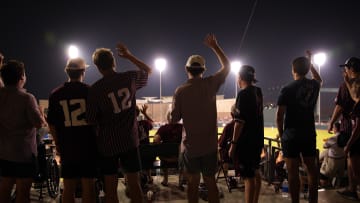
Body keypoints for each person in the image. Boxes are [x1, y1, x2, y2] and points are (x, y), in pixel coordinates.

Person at [87, 43, 152, 203]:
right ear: (114, 62)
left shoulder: (95, 89)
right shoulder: (128, 78)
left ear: (97, 67)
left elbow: (91, 120)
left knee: (110, 189)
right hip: (129, 140)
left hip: (107, 143)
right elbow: (148, 70)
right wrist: (129, 55)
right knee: (134, 184)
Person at [170, 33, 230, 203]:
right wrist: (215, 47)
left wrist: (169, 112)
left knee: (193, 184)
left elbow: (173, 119)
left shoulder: (180, 91)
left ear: (186, 69)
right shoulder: (211, 83)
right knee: (211, 182)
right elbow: (227, 66)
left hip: (191, 147)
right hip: (210, 146)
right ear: (203, 70)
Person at [46, 57, 98, 203]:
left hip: (67, 146)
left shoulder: (56, 94)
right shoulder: (90, 91)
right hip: (88, 146)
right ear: (83, 72)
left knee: (68, 187)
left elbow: (51, 123)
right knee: (88, 186)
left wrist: (58, 144)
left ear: (67, 71)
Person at [276, 51, 322, 203]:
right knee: (312, 170)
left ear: (293, 70)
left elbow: (279, 116)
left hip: (291, 135)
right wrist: (311, 62)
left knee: (292, 173)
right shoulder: (314, 86)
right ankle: (312, 201)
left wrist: (282, 134)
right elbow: (318, 79)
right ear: (308, 69)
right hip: (309, 133)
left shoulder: (287, 88)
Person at [0, 60, 46, 203]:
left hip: (3, 153)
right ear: (21, 77)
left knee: (5, 188)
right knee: (23, 191)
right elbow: (38, 123)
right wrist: (42, 116)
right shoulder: (27, 98)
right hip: (24, 154)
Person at [228, 65, 264, 203]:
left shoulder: (243, 94)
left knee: (248, 178)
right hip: (257, 140)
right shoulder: (258, 91)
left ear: (240, 77)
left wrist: (233, 144)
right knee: (255, 172)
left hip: (247, 142)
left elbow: (239, 122)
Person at [337, 57, 360, 200]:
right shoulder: (356, 97)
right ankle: (352, 189)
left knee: (356, 168)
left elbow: (358, 128)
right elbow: (354, 94)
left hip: (356, 138)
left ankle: (354, 190)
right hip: (354, 136)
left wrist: (349, 144)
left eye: (346, 68)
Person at [153, 111, 183, 186]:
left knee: (162, 155)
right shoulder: (182, 127)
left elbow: (155, 140)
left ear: (167, 118)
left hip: (165, 158)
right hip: (179, 157)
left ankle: (165, 179)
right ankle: (181, 180)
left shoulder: (163, 128)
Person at [319, 122, 345, 188]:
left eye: (333, 128)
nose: (333, 129)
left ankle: (327, 188)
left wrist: (328, 140)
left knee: (323, 176)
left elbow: (324, 146)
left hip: (333, 163)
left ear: (336, 129)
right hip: (342, 162)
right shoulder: (345, 137)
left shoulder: (333, 138)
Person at [136, 104, 154, 184]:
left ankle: (128, 179)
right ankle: (149, 177)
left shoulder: (132, 124)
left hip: (137, 152)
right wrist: (145, 113)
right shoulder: (145, 123)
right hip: (147, 152)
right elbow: (152, 123)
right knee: (147, 156)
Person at [218, 105, 236, 177]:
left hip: (230, 155)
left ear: (231, 114)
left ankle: (230, 178)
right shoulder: (245, 126)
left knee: (223, 153)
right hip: (240, 155)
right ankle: (234, 177)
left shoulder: (229, 126)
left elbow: (221, 143)